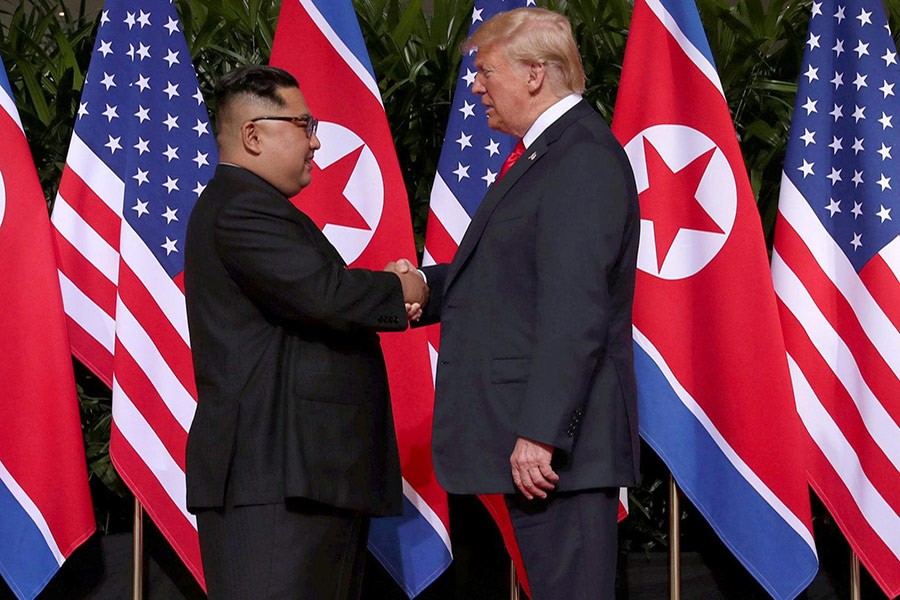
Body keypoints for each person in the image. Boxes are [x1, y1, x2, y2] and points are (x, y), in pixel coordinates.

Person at [395, 8, 640, 598]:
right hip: (531, 448)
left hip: (554, 456)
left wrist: (541, 431)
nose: (475, 87)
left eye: (485, 71)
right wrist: (421, 289)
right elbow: (511, 277)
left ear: (535, 74)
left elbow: (575, 308)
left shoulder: (578, 156)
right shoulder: (546, 152)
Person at [183, 65, 428, 600]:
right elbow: (327, 295)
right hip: (274, 481)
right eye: (304, 124)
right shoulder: (242, 208)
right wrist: (412, 289)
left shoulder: (254, 206)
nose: (316, 141)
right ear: (253, 134)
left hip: (300, 477)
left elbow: (318, 293)